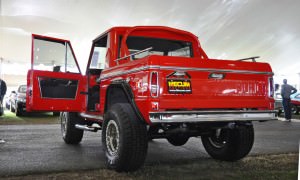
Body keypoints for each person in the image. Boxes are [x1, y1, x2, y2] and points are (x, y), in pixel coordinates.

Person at [0, 78, 7, 144]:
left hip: (1, 95)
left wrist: (3, 94)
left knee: (1, 104)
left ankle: (1, 112)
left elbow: (5, 88)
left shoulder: (3, 82)